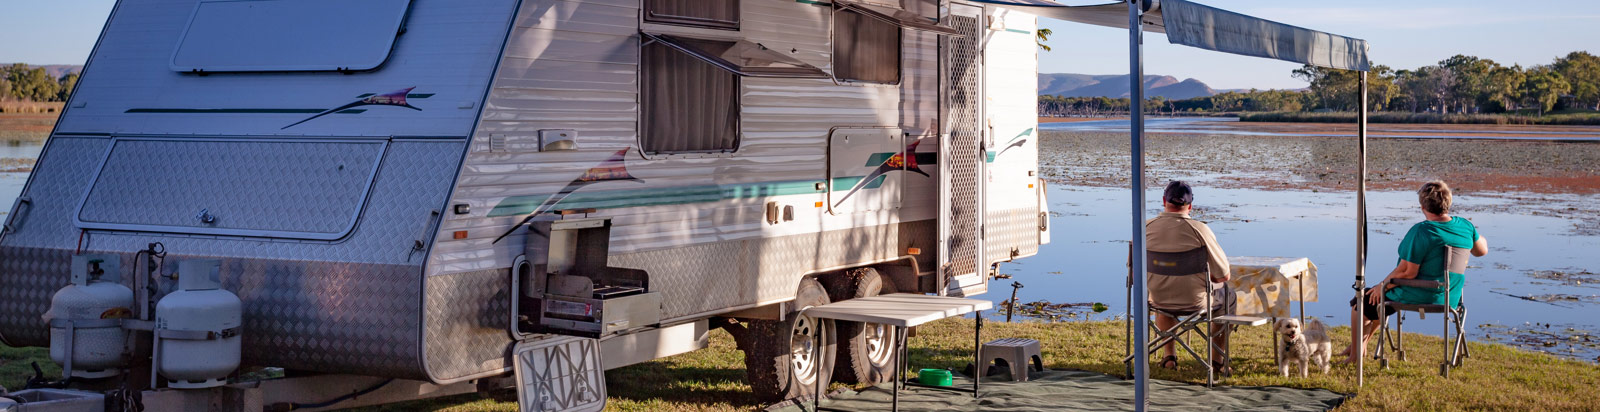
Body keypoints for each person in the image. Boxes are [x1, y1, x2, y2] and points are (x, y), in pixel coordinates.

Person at [1340, 180, 1489, 363]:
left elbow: (1407, 272)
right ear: (1448, 203)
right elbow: (1481, 251)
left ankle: (1355, 356)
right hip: (1449, 297)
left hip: (1418, 294)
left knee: (1362, 301)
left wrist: (1382, 285)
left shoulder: (1423, 231)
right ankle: (1359, 345)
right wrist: (1474, 233)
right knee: (1378, 298)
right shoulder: (1466, 226)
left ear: (1422, 207)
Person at [1145, 180, 1234, 373]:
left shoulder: (1144, 228)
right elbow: (1223, 276)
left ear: (1163, 201)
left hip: (1158, 299)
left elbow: (1133, 272)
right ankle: (1217, 361)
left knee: (1163, 290)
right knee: (1228, 295)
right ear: (1190, 205)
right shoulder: (1200, 230)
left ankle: (1169, 356)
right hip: (1196, 302)